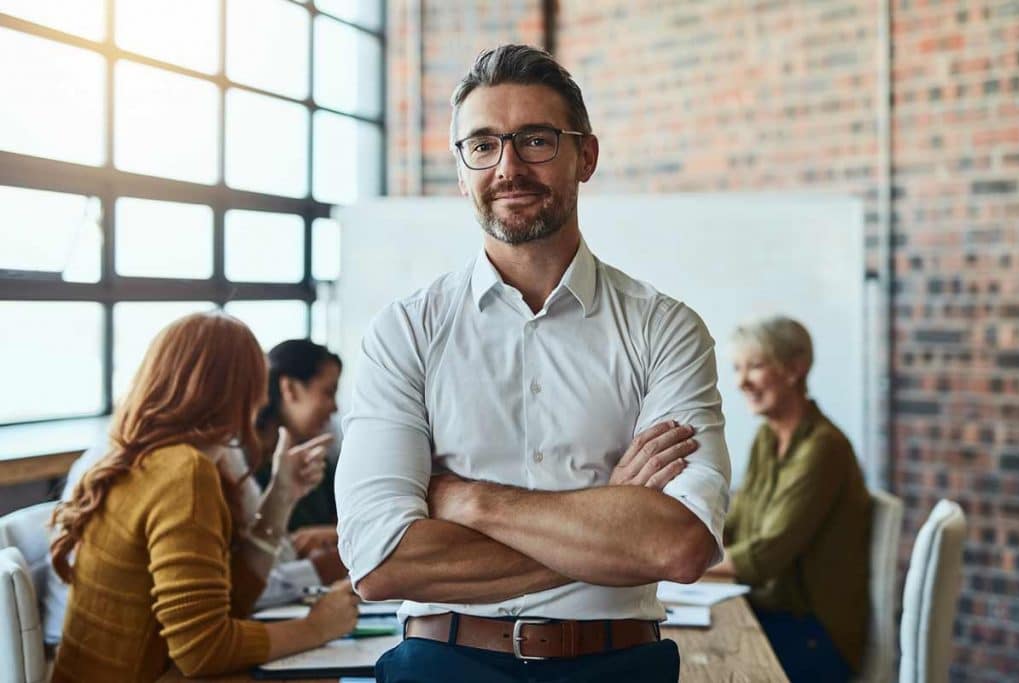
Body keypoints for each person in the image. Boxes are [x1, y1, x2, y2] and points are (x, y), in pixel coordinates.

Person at [336, 44, 731, 682]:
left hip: (617, 664)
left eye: (536, 140)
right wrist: (612, 514)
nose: (508, 166)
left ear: (587, 156)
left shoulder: (665, 329)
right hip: (441, 664)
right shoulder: (406, 331)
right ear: (462, 170)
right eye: (483, 145)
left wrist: (467, 501)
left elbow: (678, 544)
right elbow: (381, 562)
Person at [49, 312, 358, 682]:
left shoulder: (152, 458)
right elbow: (203, 650)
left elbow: (228, 605)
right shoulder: (185, 473)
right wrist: (317, 627)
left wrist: (280, 499)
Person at [707, 315, 870, 682]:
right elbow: (732, 526)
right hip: (774, 614)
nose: (741, 382)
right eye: (737, 368)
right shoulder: (768, 438)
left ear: (795, 368)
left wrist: (676, 564)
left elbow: (765, 556)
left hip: (816, 636)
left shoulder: (823, 448)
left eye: (756, 366)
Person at [254, 339, 344, 561]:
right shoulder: (243, 467)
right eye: (328, 392)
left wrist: (336, 535)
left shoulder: (322, 462)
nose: (335, 406)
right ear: (290, 389)